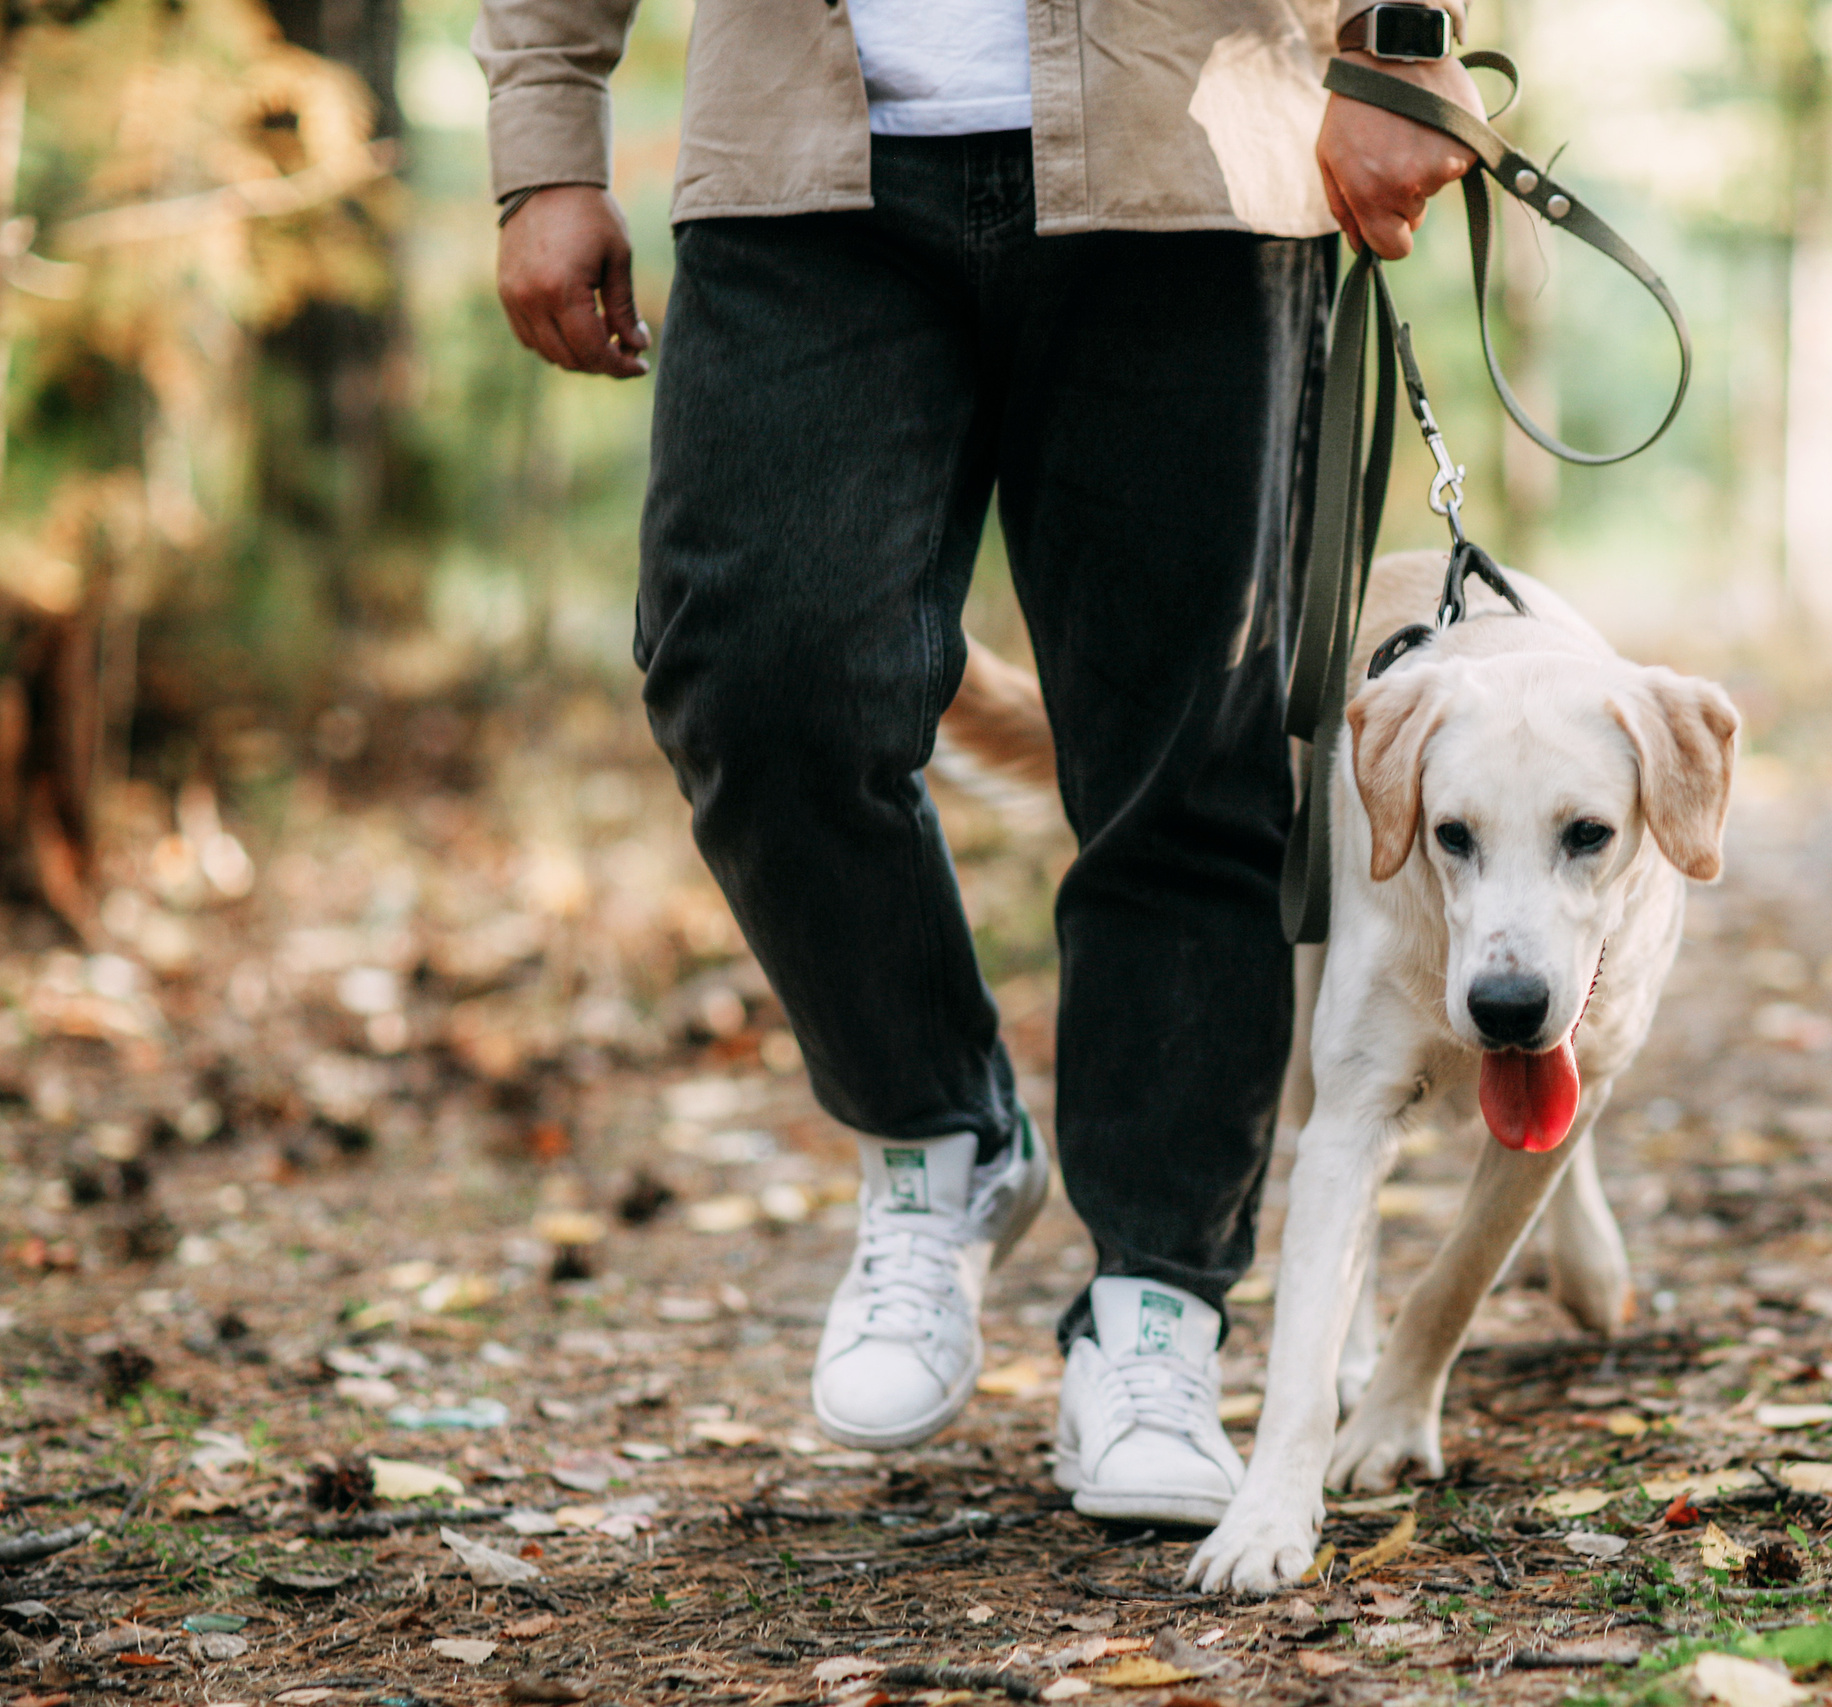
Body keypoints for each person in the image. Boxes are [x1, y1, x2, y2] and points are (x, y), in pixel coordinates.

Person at [474, 0, 1481, 1524]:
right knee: (755, 676)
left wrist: (1400, 40)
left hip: (1189, 151)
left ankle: (1157, 1315)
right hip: (801, 161)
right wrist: (546, 136)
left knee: (1188, 754)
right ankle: (938, 1129)